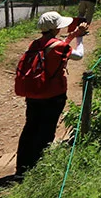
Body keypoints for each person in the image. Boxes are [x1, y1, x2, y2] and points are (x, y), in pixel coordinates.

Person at [14, 11, 87, 179]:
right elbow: (78, 55)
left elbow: (54, 48)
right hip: (52, 95)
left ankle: (21, 168)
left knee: (30, 128)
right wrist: (80, 38)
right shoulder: (59, 46)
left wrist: (73, 35)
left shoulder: (35, 44)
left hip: (33, 93)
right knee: (46, 131)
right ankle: (37, 168)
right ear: (56, 29)